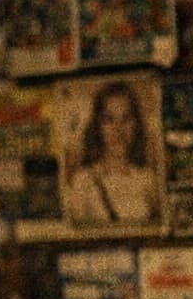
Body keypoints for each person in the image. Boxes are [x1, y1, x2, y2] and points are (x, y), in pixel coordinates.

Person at [65, 79, 160, 225]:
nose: (118, 130)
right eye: (109, 119)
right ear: (97, 127)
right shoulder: (83, 182)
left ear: (136, 124)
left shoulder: (148, 179)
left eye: (126, 118)